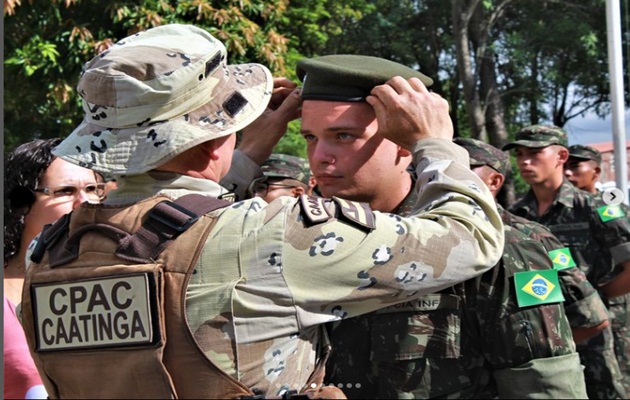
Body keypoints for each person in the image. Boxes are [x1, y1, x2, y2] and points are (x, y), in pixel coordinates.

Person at [19, 24, 504, 399]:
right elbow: (472, 240)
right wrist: (435, 143)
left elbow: (176, 228)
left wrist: (237, 151)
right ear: (213, 145)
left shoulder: (52, 252)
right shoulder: (270, 234)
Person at [296, 54, 585, 398]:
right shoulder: (305, 236)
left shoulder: (502, 245)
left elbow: (542, 390)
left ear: (404, 142)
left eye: (343, 135)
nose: (320, 156)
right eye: (310, 137)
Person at [504, 124, 630, 399]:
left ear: (561, 156)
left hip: (599, 336)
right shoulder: (516, 216)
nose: (525, 161)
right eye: (521, 154)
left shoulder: (599, 208)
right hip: (546, 336)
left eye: (535, 153)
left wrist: (596, 299)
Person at [4, 138, 106, 399]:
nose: (85, 203)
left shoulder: (112, 282)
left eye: (94, 189)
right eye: (66, 191)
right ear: (21, 205)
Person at [565, 143, 630, 394]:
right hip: (575, 311)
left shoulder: (606, 206)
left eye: (576, 166)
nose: (569, 173)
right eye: (566, 167)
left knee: (615, 377)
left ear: (595, 172)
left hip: (611, 312)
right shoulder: (564, 209)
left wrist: (600, 296)